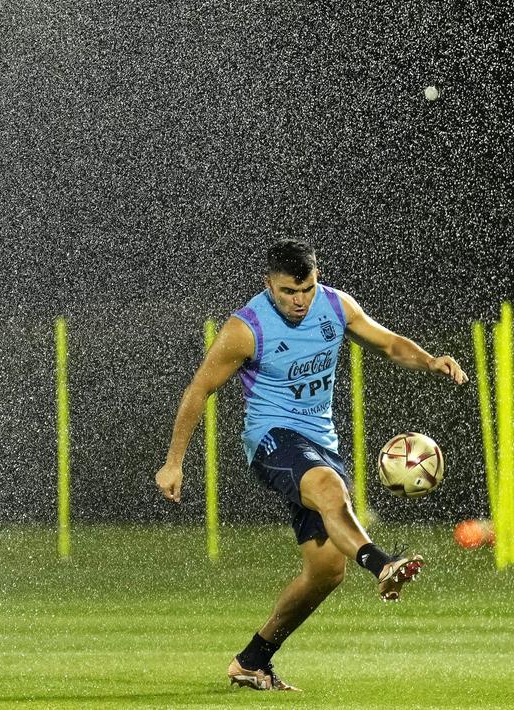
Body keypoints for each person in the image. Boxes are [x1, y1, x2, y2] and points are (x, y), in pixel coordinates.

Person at [153, 238, 468, 692]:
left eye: (306, 289)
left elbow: (388, 343)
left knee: (325, 572)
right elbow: (198, 391)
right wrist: (173, 463)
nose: (299, 301)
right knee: (328, 489)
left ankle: (252, 661)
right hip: (271, 440)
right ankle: (382, 564)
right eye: (287, 292)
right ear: (269, 285)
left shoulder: (335, 306)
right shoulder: (245, 329)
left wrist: (429, 360)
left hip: (321, 443)